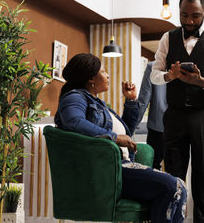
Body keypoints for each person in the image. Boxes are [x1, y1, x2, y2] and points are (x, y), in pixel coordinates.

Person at [55, 53, 187, 223]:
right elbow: (74, 122)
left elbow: (127, 132)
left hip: (117, 166)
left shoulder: (99, 104)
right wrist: (115, 138)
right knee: (173, 186)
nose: (108, 75)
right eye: (103, 71)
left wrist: (131, 101)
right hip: (105, 171)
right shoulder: (75, 97)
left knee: (178, 185)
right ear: (90, 78)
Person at [150, 0, 204, 223]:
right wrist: (169, 75)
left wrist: (202, 82)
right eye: (184, 15)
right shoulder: (168, 38)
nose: (189, 21)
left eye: (195, 16)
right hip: (174, 115)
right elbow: (155, 76)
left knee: (202, 177)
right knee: (173, 176)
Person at [136, 61, 167, 170]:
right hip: (179, 126)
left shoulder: (152, 66)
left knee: (153, 167)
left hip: (158, 126)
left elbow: (144, 99)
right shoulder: (185, 65)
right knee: (177, 170)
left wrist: (131, 125)